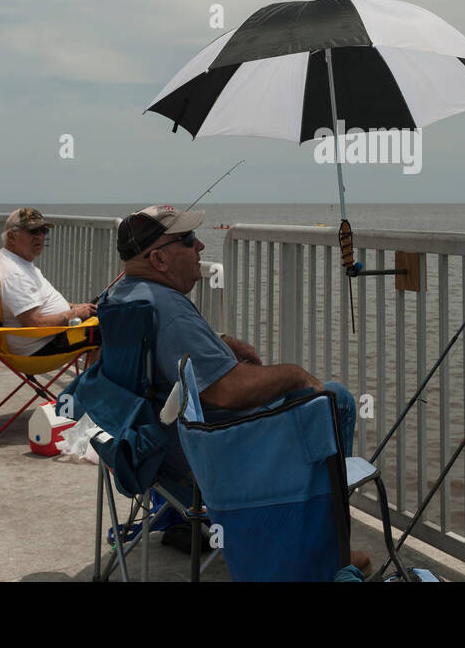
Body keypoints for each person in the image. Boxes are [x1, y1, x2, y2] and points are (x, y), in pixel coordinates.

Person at [103, 205, 370, 571]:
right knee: (332, 399)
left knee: (309, 398)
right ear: (159, 258)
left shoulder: (121, 297)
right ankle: (320, 553)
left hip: (153, 455)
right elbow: (225, 392)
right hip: (207, 465)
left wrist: (220, 342)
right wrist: (296, 375)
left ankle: (309, 539)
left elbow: (168, 360)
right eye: (186, 240)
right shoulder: (169, 309)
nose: (199, 246)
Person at [0, 207, 97, 355]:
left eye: (44, 231)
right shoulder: (14, 273)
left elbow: (37, 302)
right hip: (40, 347)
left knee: (104, 317)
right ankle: (96, 378)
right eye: (32, 231)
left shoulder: (15, 261)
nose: (40, 236)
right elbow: (35, 323)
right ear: (11, 237)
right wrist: (74, 314)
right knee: (106, 332)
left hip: (45, 338)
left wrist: (76, 307)